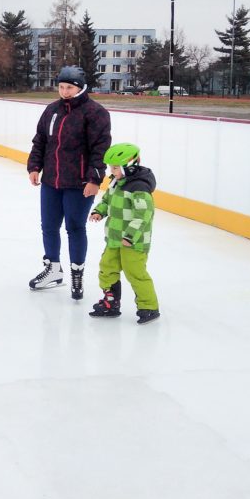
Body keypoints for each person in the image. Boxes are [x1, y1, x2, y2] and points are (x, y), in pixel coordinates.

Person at [26, 66, 111, 299]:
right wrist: (34, 166)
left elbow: (100, 150)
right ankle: (53, 269)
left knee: (75, 228)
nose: (64, 92)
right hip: (51, 181)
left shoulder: (95, 113)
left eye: (69, 88)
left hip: (80, 183)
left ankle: (76, 274)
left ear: (81, 87)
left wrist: (95, 179)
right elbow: (40, 141)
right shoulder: (51, 110)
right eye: (61, 87)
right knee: (49, 227)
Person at [88, 142, 160, 324]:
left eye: (116, 167)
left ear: (130, 166)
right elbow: (107, 200)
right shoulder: (115, 182)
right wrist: (99, 211)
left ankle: (149, 306)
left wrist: (130, 236)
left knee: (134, 272)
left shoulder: (139, 188)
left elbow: (143, 216)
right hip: (114, 238)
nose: (112, 171)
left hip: (134, 242)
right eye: (111, 167)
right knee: (107, 268)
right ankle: (111, 303)